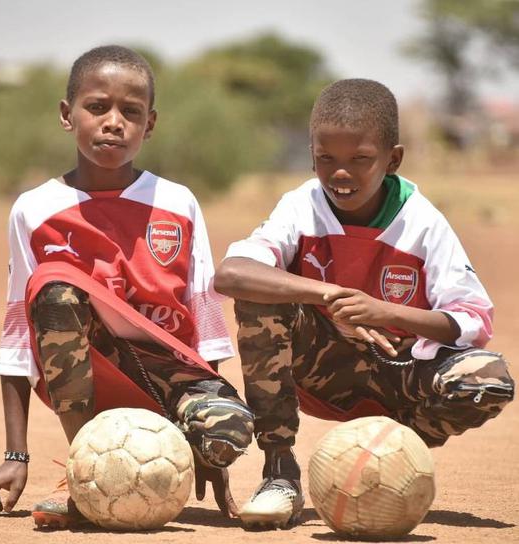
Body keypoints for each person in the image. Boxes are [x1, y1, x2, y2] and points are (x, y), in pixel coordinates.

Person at [0, 45, 253, 528]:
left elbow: (204, 321)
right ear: (67, 114)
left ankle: (178, 450)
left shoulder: (178, 202)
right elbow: (18, 334)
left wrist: (210, 448)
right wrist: (16, 453)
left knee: (231, 425)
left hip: (167, 377)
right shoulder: (34, 209)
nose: (114, 123)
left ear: (150, 124)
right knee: (55, 288)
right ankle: (87, 471)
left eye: (131, 112)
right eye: (97, 107)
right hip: (89, 380)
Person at [214, 78, 514, 529]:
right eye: (326, 159)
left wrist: (385, 311)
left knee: (488, 379)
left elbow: (473, 320)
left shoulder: (422, 222)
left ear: (393, 159)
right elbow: (231, 274)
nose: (341, 173)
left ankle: (391, 456)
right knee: (262, 297)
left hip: (400, 371)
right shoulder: (301, 206)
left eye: (360, 159)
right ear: (312, 154)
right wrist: (328, 295)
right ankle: (279, 472)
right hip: (323, 368)